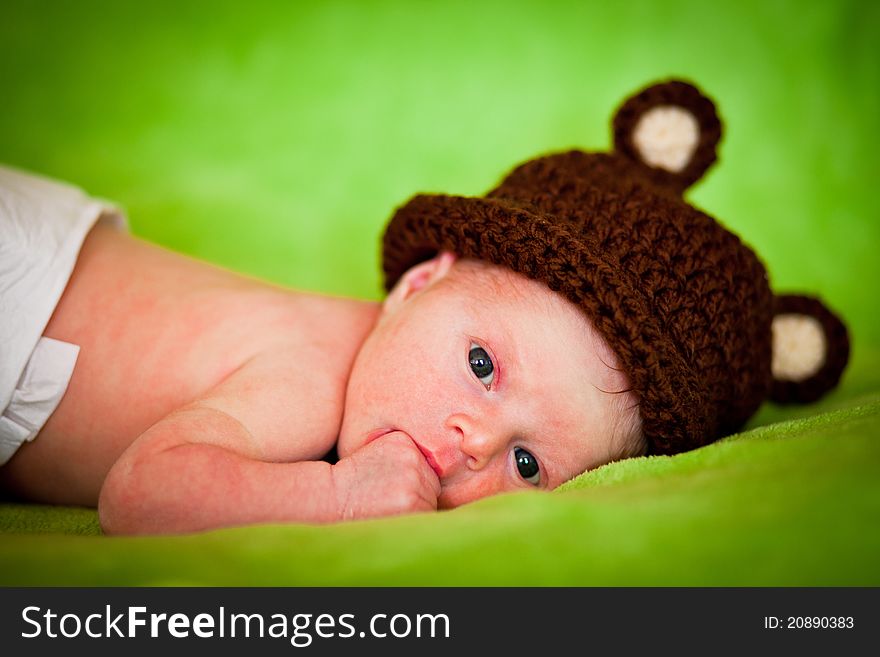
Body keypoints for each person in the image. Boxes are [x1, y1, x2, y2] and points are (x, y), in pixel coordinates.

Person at [0, 80, 849, 535]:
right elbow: (140, 494)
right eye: (482, 365)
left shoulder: (371, 390)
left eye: (527, 466)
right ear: (416, 284)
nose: (476, 444)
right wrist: (332, 502)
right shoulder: (310, 376)